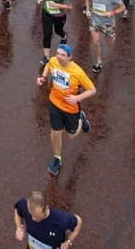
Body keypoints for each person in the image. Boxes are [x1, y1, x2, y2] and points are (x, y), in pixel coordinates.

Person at [36, 44, 94, 176]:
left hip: (70, 108)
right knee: (55, 132)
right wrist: (43, 78)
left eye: (63, 55)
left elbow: (92, 90)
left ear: (70, 57)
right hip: (54, 103)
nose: (59, 57)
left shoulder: (78, 72)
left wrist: (77, 98)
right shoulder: (53, 61)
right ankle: (57, 157)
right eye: (58, 53)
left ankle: (81, 119)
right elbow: (48, 65)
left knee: (71, 135)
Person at [14, 191, 82, 248]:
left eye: (37, 216)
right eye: (31, 214)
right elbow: (17, 210)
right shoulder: (24, 204)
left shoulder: (60, 220)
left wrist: (68, 241)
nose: (33, 219)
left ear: (46, 208)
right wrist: (19, 227)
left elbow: (78, 222)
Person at [86, 0, 124, 73]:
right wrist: (88, 10)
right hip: (94, 20)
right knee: (95, 42)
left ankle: (113, 36)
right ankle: (98, 60)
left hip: (108, 23)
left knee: (110, 43)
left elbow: (123, 7)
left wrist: (112, 12)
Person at [38, 0, 71, 67]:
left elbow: (70, 6)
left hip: (59, 15)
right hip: (47, 12)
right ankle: (46, 57)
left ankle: (64, 35)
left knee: (58, 31)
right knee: (47, 33)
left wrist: (56, 5)